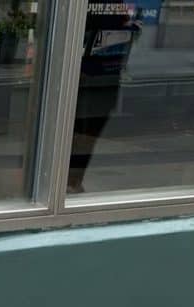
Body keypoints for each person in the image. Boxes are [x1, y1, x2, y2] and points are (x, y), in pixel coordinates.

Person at [68, 0, 139, 193]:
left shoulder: (118, 6)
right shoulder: (90, 6)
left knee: (87, 133)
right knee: (80, 132)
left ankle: (73, 181)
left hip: (103, 75)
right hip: (86, 75)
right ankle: (70, 181)